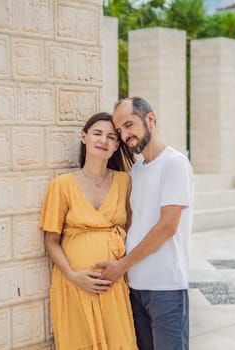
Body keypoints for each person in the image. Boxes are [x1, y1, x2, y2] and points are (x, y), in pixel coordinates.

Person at [94, 97, 194, 350]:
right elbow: (132, 223)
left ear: (150, 119)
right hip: (135, 286)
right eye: (120, 131)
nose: (125, 135)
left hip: (166, 288)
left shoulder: (175, 164)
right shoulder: (136, 170)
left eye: (129, 125)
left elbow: (167, 226)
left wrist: (121, 266)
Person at [39, 112, 137, 350]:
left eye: (111, 137)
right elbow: (51, 240)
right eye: (97, 134)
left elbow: (129, 226)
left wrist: (121, 266)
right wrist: (74, 276)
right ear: (84, 137)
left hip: (112, 282)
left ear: (116, 146)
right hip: (74, 283)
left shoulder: (125, 182)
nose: (103, 140)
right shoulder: (62, 185)